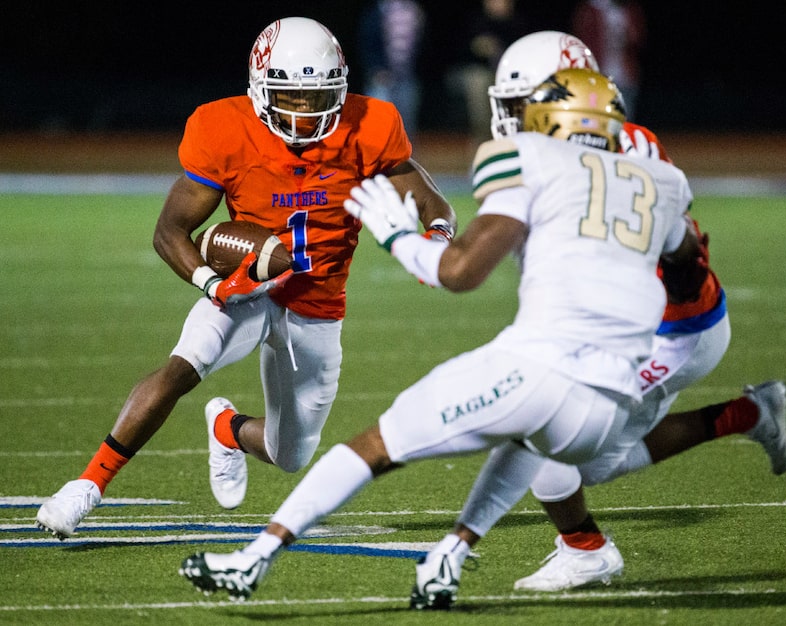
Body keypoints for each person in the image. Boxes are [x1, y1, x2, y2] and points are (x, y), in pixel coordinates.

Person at [179, 65, 709, 604]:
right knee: (527, 438)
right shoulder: (662, 183)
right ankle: (467, 554)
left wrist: (397, 239)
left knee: (375, 445)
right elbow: (688, 262)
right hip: (610, 402)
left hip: (544, 366)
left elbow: (458, 272)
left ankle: (251, 561)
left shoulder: (531, 160)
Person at [407, 31, 786, 604]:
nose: (512, 119)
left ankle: (585, 551)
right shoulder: (601, 143)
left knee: (543, 432)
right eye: (510, 106)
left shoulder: (599, 153)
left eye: (522, 105)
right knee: (593, 463)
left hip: (666, 331)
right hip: (641, 324)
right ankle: (749, 411)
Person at [35, 16, 456, 540]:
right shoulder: (223, 128)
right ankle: (86, 487)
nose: (305, 112)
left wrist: (437, 236)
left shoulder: (371, 123)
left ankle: (228, 429)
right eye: (290, 97)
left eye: (318, 96)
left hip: (319, 303)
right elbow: (170, 232)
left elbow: (426, 197)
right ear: (260, 86)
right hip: (250, 285)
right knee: (184, 365)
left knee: (291, 454)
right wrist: (214, 284)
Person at [449, 0, 531, 143]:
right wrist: (482, 47)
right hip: (481, 73)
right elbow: (466, 53)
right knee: (478, 81)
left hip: (511, 75)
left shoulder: (519, 23)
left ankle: (519, 141)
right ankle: (482, 138)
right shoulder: (476, 21)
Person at [357, 0, 426, 136]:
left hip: (407, 76)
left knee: (406, 125)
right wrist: (376, 68)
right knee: (379, 122)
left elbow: (422, 44)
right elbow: (366, 42)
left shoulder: (413, 11)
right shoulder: (376, 11)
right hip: (381, 79)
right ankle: (378, 156)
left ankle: (405, 156)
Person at [571, 0, 647, 119]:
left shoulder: (628, 10)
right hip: (598, 73)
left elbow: (637, 39)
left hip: (624, 74)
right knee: (597, 115)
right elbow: (582, 41)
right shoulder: (592, 10)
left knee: (625, 115)